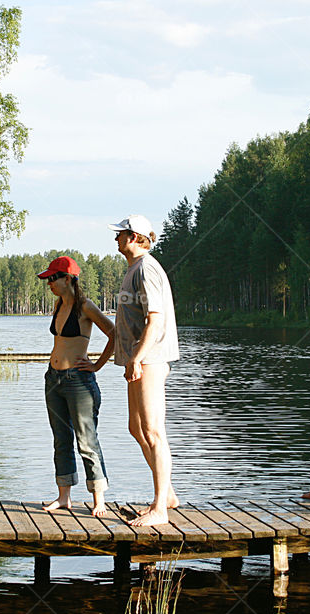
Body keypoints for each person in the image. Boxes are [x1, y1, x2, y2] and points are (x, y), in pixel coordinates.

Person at [111, 215, 180, 526]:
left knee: (153, 431)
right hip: (136, 359)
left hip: (149, 359)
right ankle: (166, 494)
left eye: (120, 234)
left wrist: (138, 357)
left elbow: (155, 319)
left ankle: (160, 509)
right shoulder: (133, 269)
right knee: (136, 428)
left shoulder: (147, 268)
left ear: (135, 236)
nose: (116, 239)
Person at [37, 256, 115, 517]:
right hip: (53, 380)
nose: (49, 283)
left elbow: (114, 333)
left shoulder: (86, 307)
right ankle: (63, 497)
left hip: (78, 382)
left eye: (52, 278)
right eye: (47, 279)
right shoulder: (59, 305)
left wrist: (97, 365)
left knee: (86, 440)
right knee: (61, 439)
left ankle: (99, 499)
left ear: (67, 279)